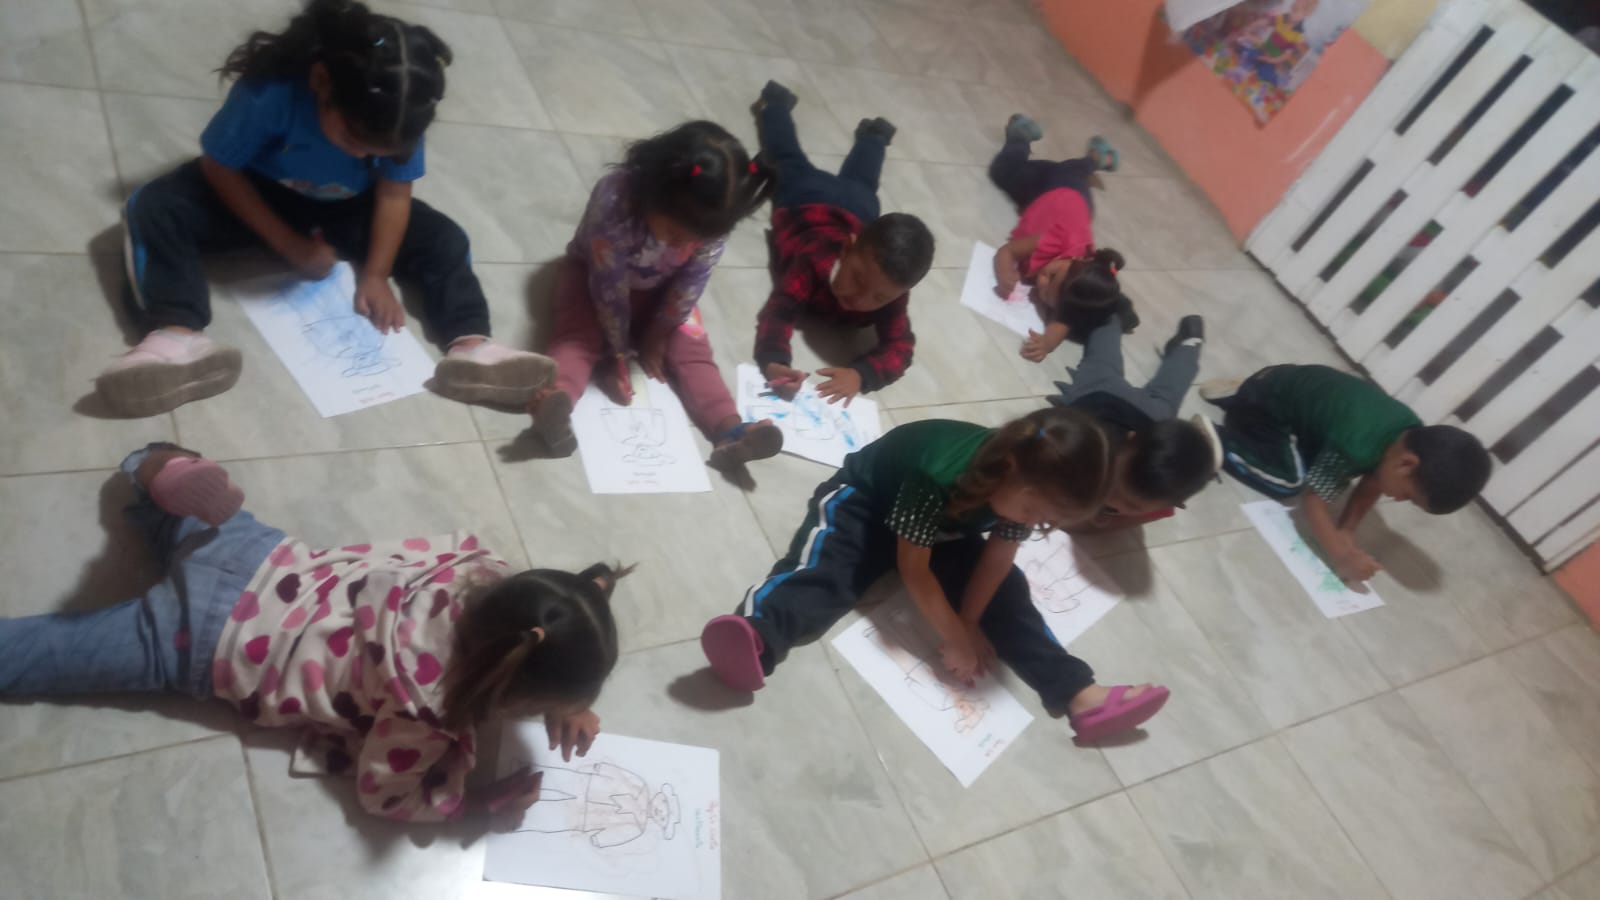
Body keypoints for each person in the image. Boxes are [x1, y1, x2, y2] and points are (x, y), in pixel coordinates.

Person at [0, 442, 626, 823]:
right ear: (509, 692)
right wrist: (475, 807)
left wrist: (562, 691)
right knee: (35, 654)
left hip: (255, 554)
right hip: (204, 642)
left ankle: (163, 466)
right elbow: (386, 795)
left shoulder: (476, 567)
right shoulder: (427, 711)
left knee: (153, 481)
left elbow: (551, 614)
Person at [97, 0, 553, 417]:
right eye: (354, 139)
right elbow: (219, 167)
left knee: (444, 238)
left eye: (379, 151)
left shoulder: (400, 115)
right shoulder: (270, 92)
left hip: (349, 206)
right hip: (254, 192)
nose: (362, 154)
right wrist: (288, 244)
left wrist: (376, 274)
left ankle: (472, 347)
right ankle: (175, 337)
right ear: (320, 82)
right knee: (155, 207)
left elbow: (394, 194)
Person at [699, 408, 1171, 743]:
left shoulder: (1028, 482)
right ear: (1009, 471)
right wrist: (955, 636)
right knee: (828, 573)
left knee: (1008, 591)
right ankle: (757, 635)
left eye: (1045, 520)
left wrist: (970, 620)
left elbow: (998, 557)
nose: (1034, 522)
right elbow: (914, 569)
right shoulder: (941, 472)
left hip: (944, 528)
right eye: (1033, 512)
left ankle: (1080, 694)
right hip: (866, 504)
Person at [529, 121, 781, 470]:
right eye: (676, 233)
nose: (685, 244)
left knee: (693, 352)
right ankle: (555, 401)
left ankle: (732, 430)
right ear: (654, 194)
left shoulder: (713, 216)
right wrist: (618, 352)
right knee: (578, 337)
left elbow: (692, 281)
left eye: (696, 239)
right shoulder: (615, 199)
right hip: (592, 279)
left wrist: (660, 333)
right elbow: (607, 287)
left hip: (663, 292)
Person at [1201, 365, 1492, 586]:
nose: (1399, 500)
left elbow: (1374, 481)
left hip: (1289, 385)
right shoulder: (1355, 446)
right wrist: (1340, 556)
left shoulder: (1408, 432)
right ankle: (1216, 436)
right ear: (1406, 465)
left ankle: (1240, 395)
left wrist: (1347, 530)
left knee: (1318, 464)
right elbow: (1313, 501)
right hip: (1265, 404)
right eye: (1408, 496)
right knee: (1287, 483)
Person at [750, 80, 935, 404]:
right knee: (788, 157)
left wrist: (862, 375)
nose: (861, 299)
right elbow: (779, 312)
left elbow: (902, 348)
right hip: (805, 199)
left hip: (859, 211)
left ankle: (874, 137)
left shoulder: (891, 293)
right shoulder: (812, 261)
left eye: (879, 297)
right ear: (848, 249)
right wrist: (774, 360)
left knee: (863, 181)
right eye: (859, 280)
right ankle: (776, 104)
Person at [1048, 315, 1222, 530]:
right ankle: (1111, 313)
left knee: (1170, 391)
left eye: (1132, 505)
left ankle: (1191, 343)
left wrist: (1105, 519)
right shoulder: (1082, 445)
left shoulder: (1163, 494)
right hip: (1103, 397)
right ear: (1129, 439)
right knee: (1102, 357)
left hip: (1151, 418)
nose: (1112, 500)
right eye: (1113, 482)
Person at [988, 114, 1136, 363]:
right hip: (1061, 188)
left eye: (1047, 297)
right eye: (1051, 276)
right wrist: (1003, 272)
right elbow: (1008, 251)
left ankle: (1092, 161)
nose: (1040, 285)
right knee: (1004, 172)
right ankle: (1023, 135)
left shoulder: (1075, 287)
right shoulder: (1055, 239)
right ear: (1076, 260)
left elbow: (1065, 320)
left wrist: (1047, 344)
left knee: (1062, 173)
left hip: (1067, 208)